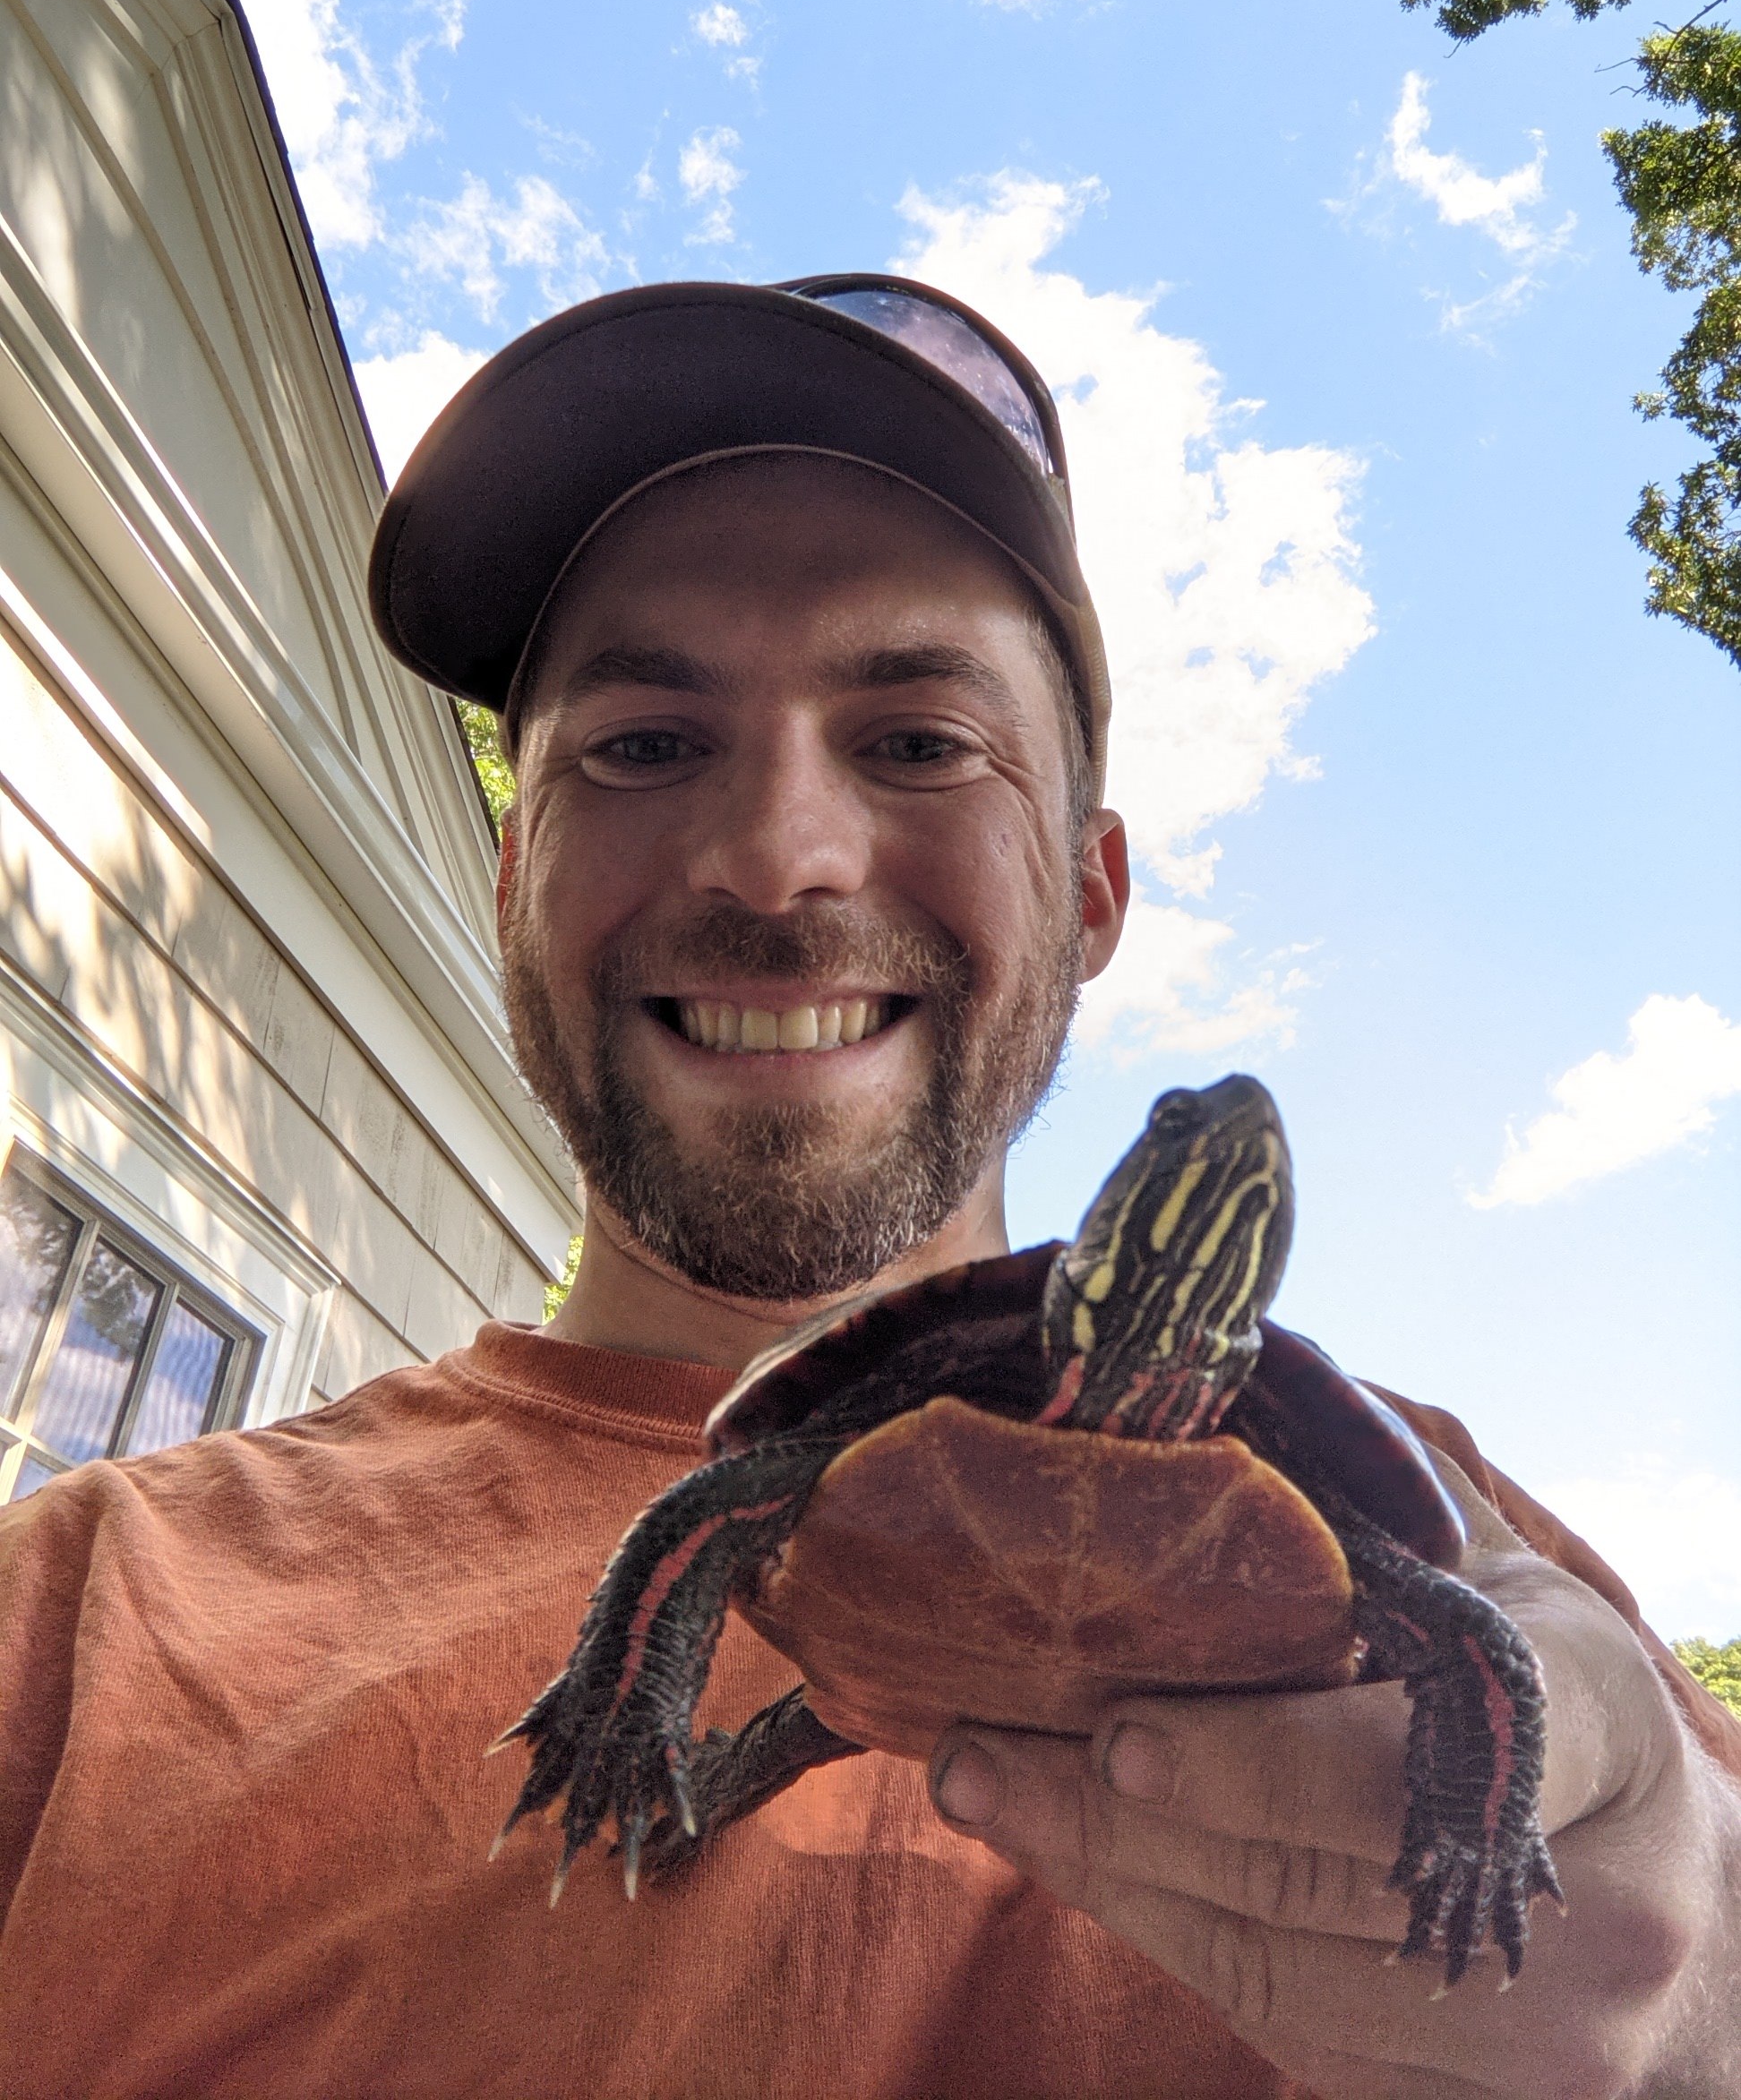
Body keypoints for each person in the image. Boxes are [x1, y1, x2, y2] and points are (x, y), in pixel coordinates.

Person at [1, 278, 1737, 2099]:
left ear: (1089, 892)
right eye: (645, 745)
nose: (776, 857)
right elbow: (747, 1500)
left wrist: (1692, 2006)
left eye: (917, 741)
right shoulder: (83, 1621)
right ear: (512, 874)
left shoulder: (1485, 1547)